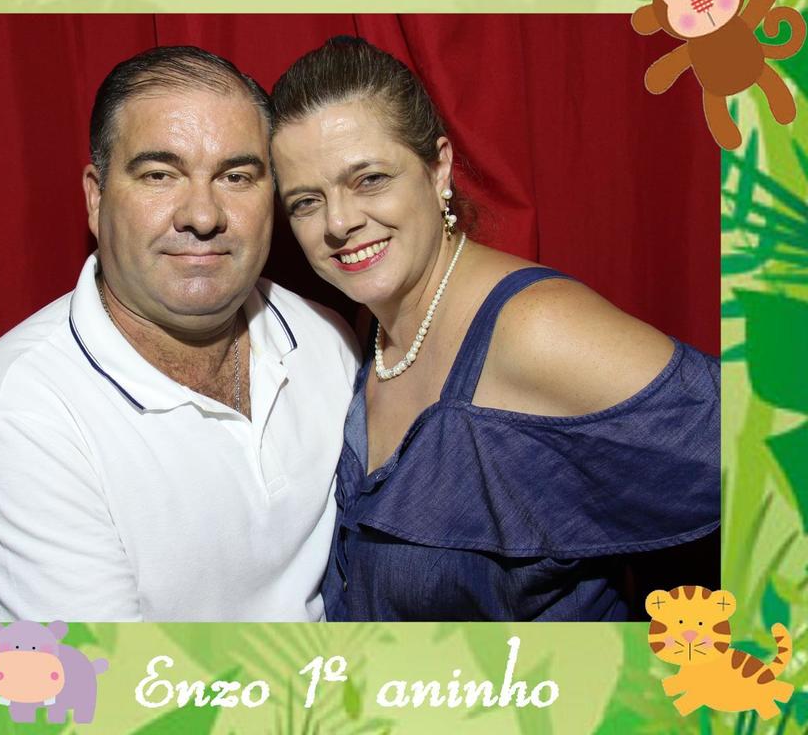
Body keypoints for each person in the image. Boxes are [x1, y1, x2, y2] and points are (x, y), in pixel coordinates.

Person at [268, 36, 720, 621]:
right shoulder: (363, 331)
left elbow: (771, 454)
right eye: (306, 201)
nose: (339, 221)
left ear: (439, 169)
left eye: (370, 179)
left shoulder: (534, 327)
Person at [0, 46, 360, 622]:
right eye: (160, 175)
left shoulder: (329, 340)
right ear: (96, 198)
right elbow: (100, 675)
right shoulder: (19, 416)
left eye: (236, 176)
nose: (203, 216)